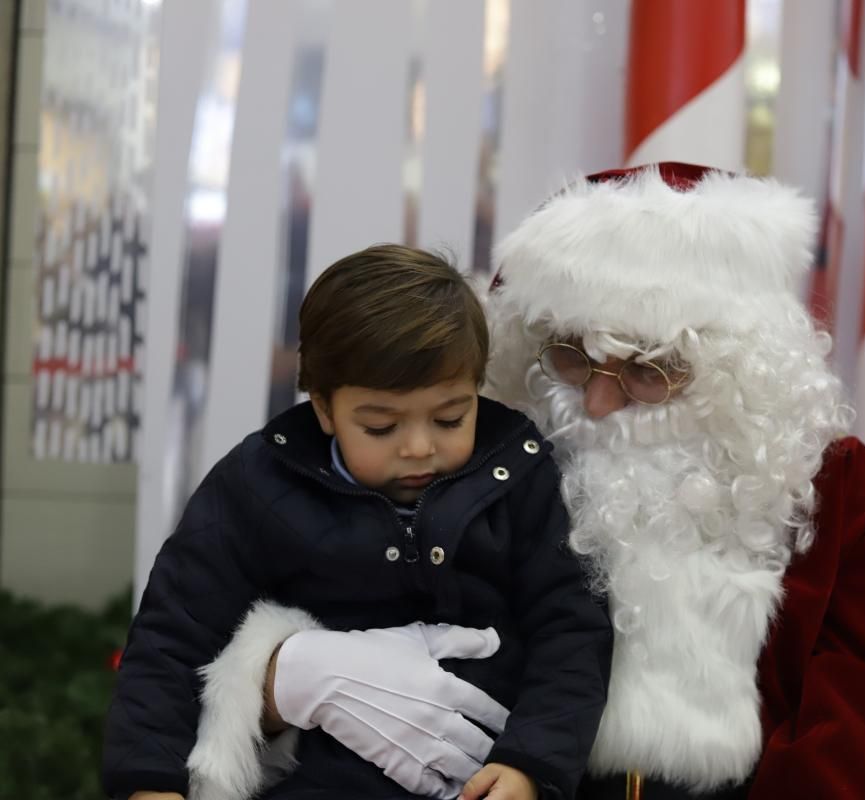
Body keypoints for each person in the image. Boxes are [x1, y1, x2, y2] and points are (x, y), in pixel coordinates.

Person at [192, 164, 865, 798]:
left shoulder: (845, 499)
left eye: (649, 371)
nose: (598, 403)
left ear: (742, 372)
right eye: (569, 356)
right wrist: (281, 678)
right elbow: (178, 641)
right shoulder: (438, 453)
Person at [101, 244, 613, 800]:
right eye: (379, 427)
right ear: (324, 408)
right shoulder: (259, 482)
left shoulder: (519, 471)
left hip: (483, 775)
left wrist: (531, 766)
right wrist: (150, 784)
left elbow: (570, 629)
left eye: (450, 417)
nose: (419, 447)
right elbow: (172, 637)